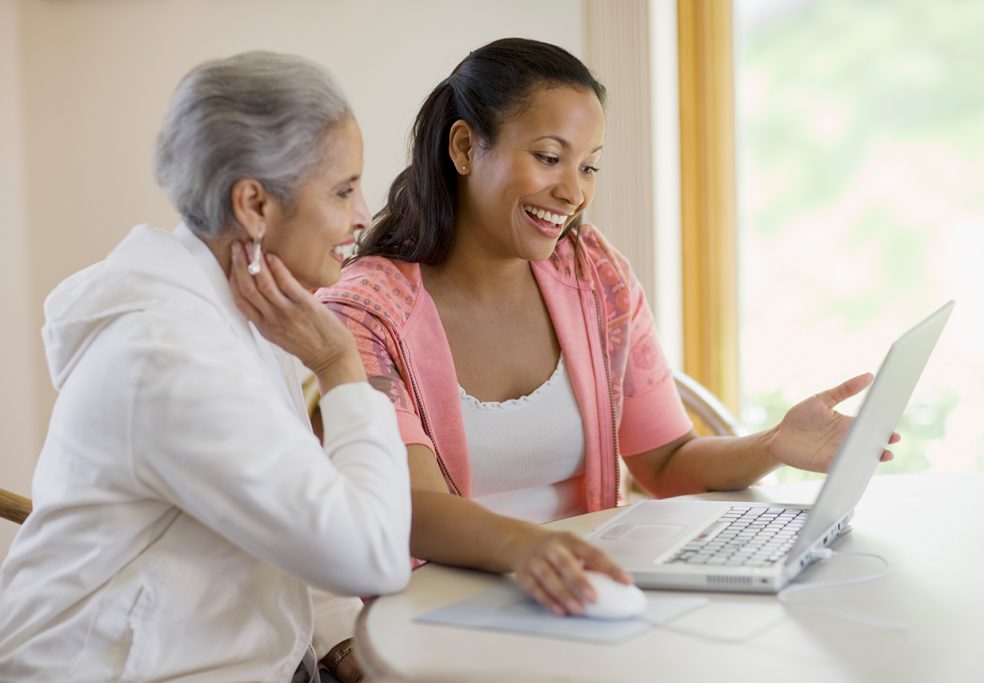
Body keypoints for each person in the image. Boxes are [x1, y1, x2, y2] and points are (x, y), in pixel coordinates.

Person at [317, 37, 896, 618]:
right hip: (438, 615)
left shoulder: (594, 273)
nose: (574, 192)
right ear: (466, 147)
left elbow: (667, 462)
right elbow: (408, 507)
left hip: (588, 601)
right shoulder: (369, 311)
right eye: (549, 157)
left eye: (588, 165)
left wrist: (774, 444)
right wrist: (533, 545)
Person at [0, 52, 409, 683]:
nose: (363, 214)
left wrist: (334, 638)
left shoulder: (239, 311)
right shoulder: (169, 355)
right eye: (342, 189)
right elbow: (370, 556)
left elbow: (296, 508)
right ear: (253, 203)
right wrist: (340, 364)